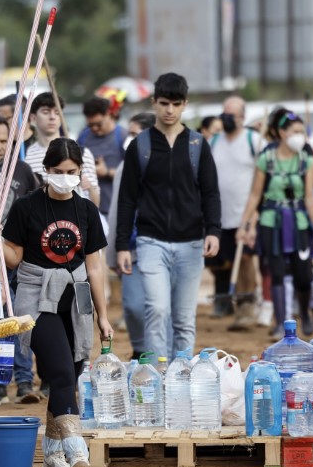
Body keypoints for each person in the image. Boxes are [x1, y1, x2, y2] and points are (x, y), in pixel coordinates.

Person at [1, 138, 112, 467]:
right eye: (58, 172)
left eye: (71, 172)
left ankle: (51, 457)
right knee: (62, 373)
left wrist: (103, 315)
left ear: (80, 172)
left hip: (76, 298)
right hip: (36, 297)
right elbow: (14, 259)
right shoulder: (26, 207)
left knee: (72, 372)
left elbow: (94, 267)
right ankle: (77, 450)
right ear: (45, 171)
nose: (65, 177)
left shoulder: (86, 210)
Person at [115, 73, 222, 358]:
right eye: (164, 103)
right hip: (151, 242)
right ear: (154, 103)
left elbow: (211, 192)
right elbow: (127, 198)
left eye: (176, 104)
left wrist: (213, 230)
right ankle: (157, 374)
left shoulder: (198, 145)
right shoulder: (141, 146)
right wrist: (123, 244)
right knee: (157, 309)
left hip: (191, 243)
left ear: (185, 104)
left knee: (184, 318)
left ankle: (182, 375)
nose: (169, 110)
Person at [237, 111, 313, 338]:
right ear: (281, 133)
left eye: (302, 132)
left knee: (303, 274)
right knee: (276, 271)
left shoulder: (306, 161)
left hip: (298, 221)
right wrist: (245, 224)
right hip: (272, 221)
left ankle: (306, 314)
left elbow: (310, 197)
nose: (299, 137)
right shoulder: (266, 159)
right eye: (295, 132)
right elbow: (254, 194)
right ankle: (281, 322)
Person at [0, 115, 40, 404]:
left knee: (20, 318)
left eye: (3, 141)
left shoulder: (23, 170)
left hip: (17, 255)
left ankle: (24, 381)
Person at [207, 96, 263, 323]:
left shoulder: (254, 140)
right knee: (225, 261)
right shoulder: (214, 142)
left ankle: (247, 307)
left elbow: (262, 180)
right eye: (224, 114)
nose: (226, 119)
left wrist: (254, 216)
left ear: (242, 117)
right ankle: (231, 303)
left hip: (245, 213)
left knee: (246, 260)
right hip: (221, 215)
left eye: (231, 115)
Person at [107, 112, 155, 357]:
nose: (130, 140)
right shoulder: (126, 166)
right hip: (132, 248)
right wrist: (114, 253)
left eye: (136, 135)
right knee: (134, 306)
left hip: (162, 245)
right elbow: (117, 209)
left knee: (162, 308)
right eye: (130, 135)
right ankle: (139, 348)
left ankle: (161, 353)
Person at [24, 92, 99, 206]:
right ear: (33, 118)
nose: (52, 117)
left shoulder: (81, 153)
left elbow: (95, 203)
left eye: (57, 112)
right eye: (46, 112)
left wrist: (88, 187)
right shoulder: (26, 157)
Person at [77, 97, 126, 222]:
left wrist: (107, 172)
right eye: (90, 125)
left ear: (109, 114)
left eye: (98, 124)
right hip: (90, 208)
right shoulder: (83, 137)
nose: (94, 128)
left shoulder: (122, 136)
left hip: (117, 209)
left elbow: (134, 174)